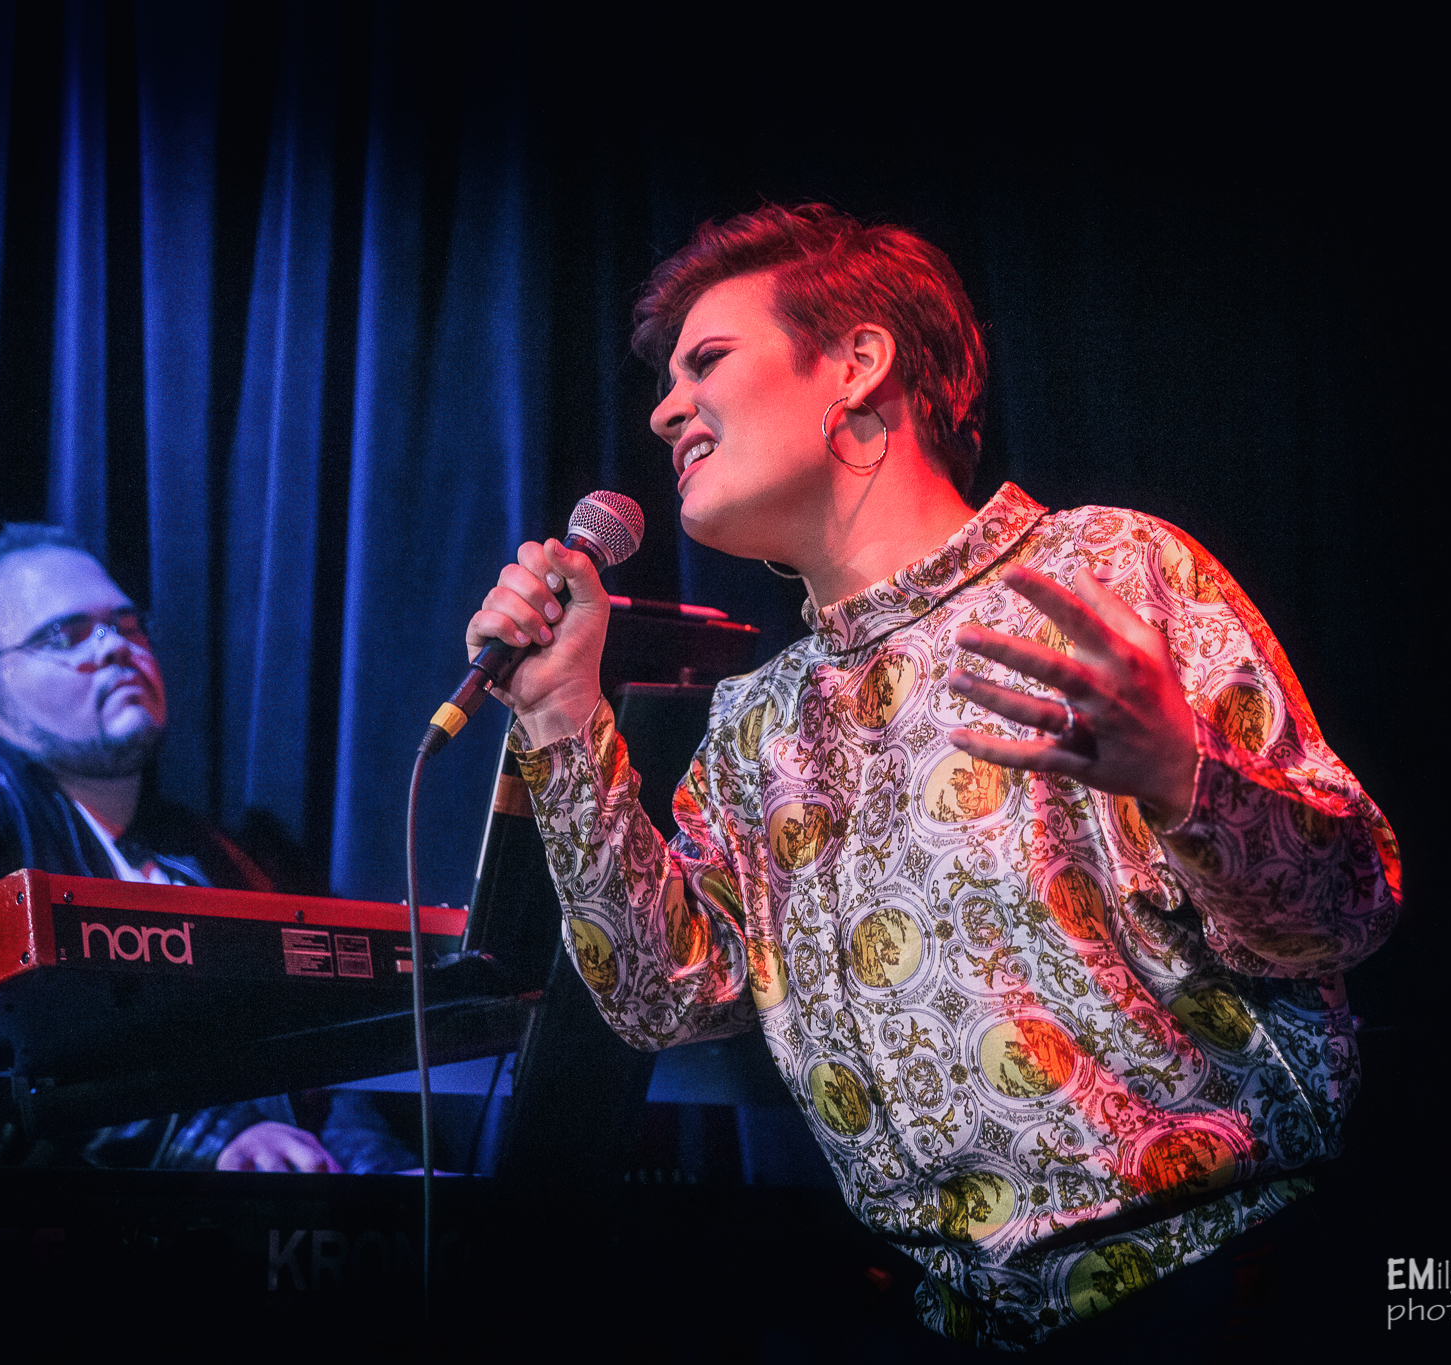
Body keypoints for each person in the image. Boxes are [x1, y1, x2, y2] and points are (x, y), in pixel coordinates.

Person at [467, 205, 1399, 1352]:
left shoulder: (1107, 570)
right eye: (666, 381)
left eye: (705, 360)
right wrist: (560, 714)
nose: (664, 408)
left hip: (1216, 1280)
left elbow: (1341, 916)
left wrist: (1183, 781)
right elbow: (663, 1000)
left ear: (857, 362)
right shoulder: (755, 724)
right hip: (959, 1319)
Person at [0, 525, 413, 1174]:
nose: (114, 647)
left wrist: (385, 1180)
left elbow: (316, 1067)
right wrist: (207, 1141)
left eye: (128, 626)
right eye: (64, 635)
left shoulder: (215, 855)